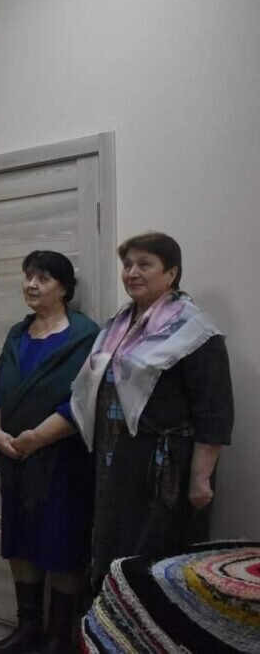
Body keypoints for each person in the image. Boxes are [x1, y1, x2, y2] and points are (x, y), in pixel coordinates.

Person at [71, 232, 233, 594]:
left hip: (164, 469)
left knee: (154, 560)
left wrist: (201, 478)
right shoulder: (118, 325)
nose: (132, 272)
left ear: (171, 273)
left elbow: (214, 410)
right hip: (115, 460)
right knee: (111, 549)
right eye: (128, 264)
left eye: (144, 264)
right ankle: (112, 624)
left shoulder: (196, 330)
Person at [0, 252, 99, 654]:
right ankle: (27, 629)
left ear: (64, 289)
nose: (31, 285)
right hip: (14, 457)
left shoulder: (86, 336)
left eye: (43, 279)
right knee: (19, 540)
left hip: (62, 459)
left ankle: (58, 637)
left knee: (62, 541)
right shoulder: (17, 334)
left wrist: (37, 438)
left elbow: (85, 401)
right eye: (28, 276)